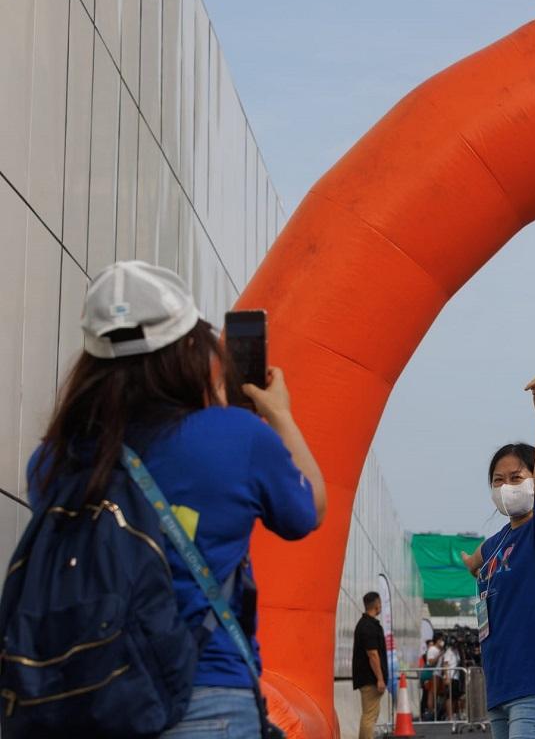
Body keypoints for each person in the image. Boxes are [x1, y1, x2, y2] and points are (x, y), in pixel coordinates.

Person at [25, 261, 327, 735]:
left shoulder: (53, 459)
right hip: (207, 695)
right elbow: (308, 511)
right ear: (189, 348)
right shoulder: (237, 436)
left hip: (88, 701)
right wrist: (280, 416)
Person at [459, 375, 535, 739]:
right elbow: (475, 561)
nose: (506, 487)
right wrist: (469, 562)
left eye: (516, 477)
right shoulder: (496, 543)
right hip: (501, 684)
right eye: (498, 480)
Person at [353, 592, 390, 739]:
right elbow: (372, 654)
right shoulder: (369, 626)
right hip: (370, 679)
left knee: (370, 715)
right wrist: (380, 678)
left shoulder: (364, 624)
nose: (381, 605)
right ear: (376, 605)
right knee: (369, 716)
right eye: (380, 603)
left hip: (367, 678)